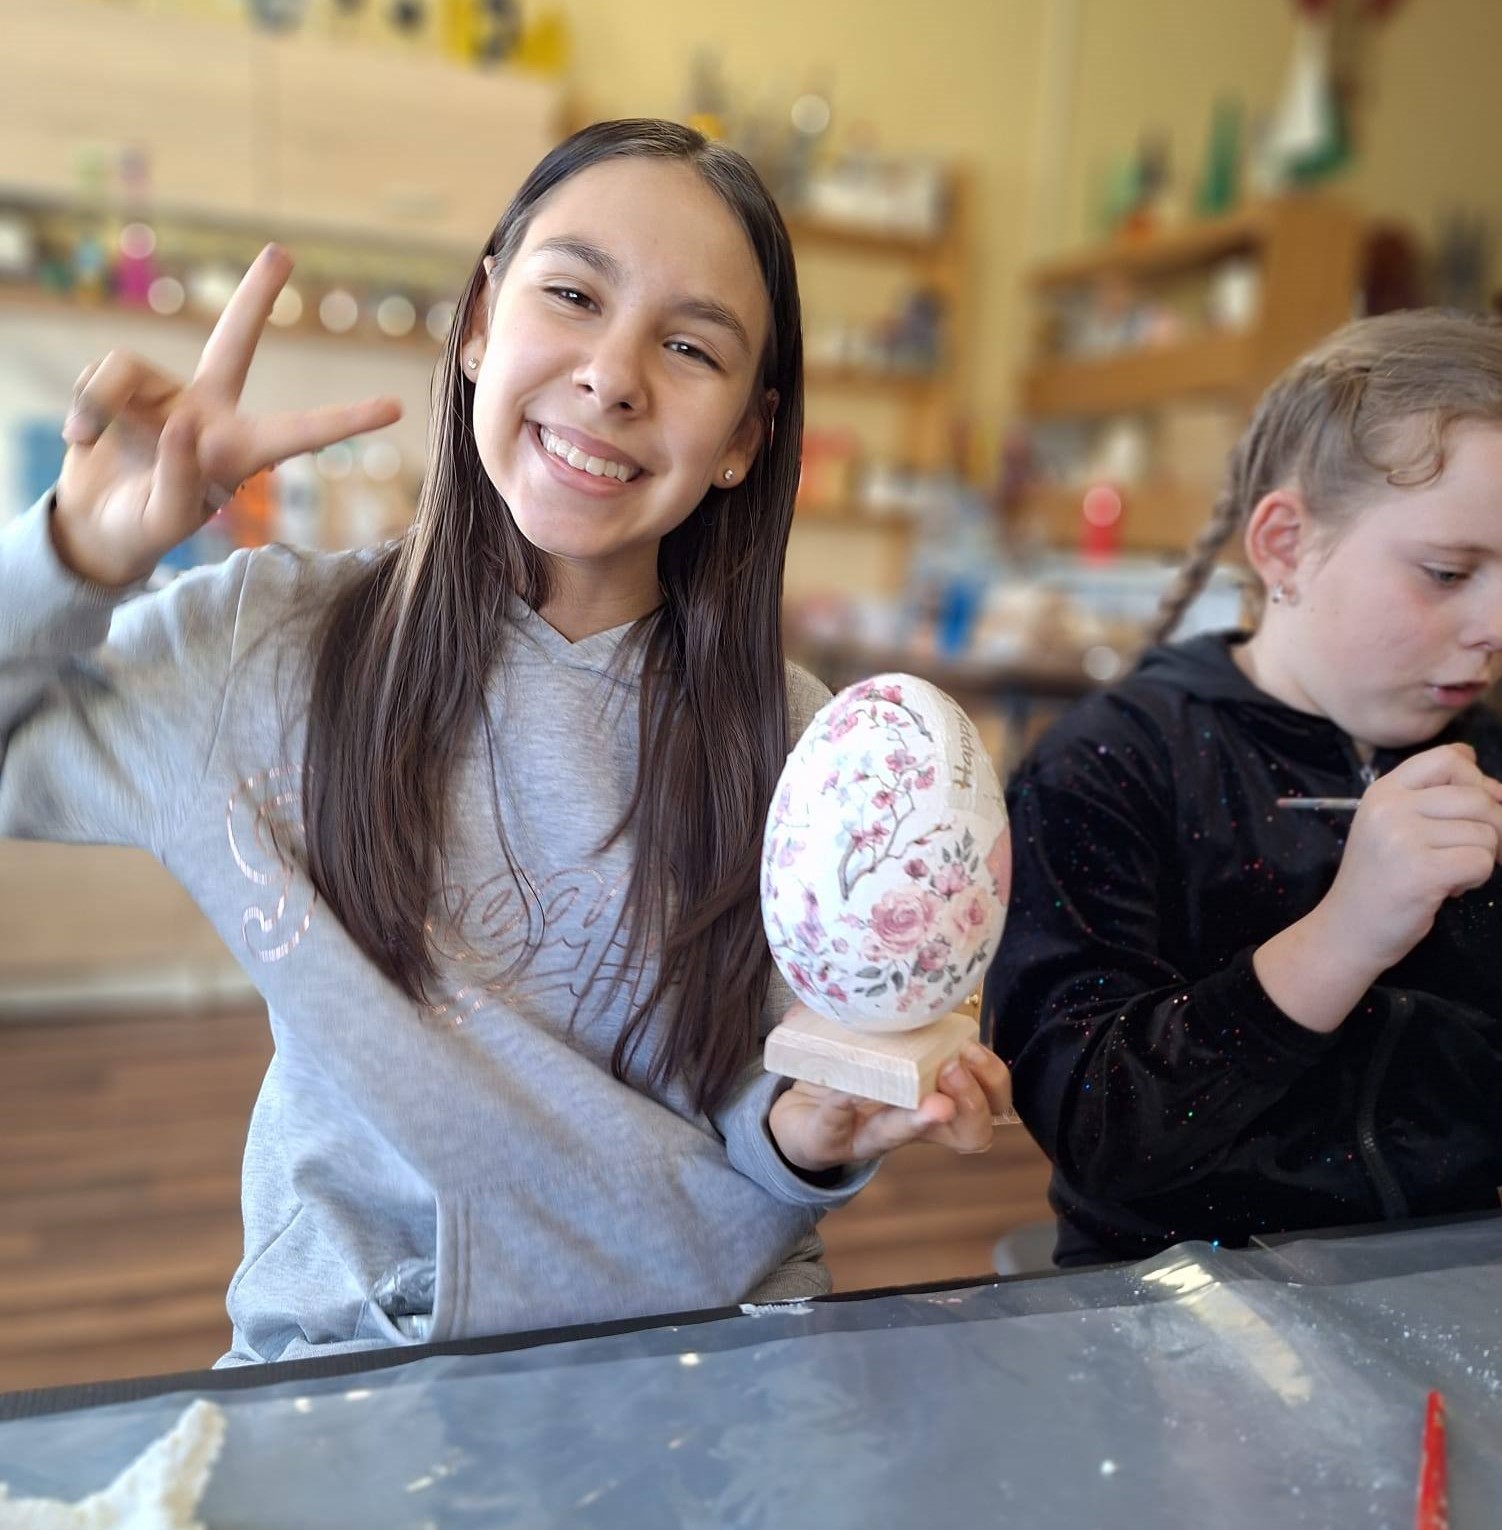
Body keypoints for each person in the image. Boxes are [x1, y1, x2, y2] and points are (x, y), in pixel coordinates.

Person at [0, 119, 1011, 1364]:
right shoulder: (272, 648)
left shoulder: (800, 750)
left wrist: (810, 1136)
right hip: (358, 1367)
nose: (613, 377)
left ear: (747, 437)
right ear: (480, 322)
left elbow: (758, 1117)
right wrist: (75, 553)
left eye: (690, 347)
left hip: (702, 1349)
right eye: (574, 295)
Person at [987, 311, 1502, 1267]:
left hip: (1452, 1287)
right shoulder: (1110, 765)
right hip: (1168, 1303)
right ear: (1285, 545)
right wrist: (1345, 935)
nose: (1501, 628)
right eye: (1448, 573)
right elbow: (1095, 1126)